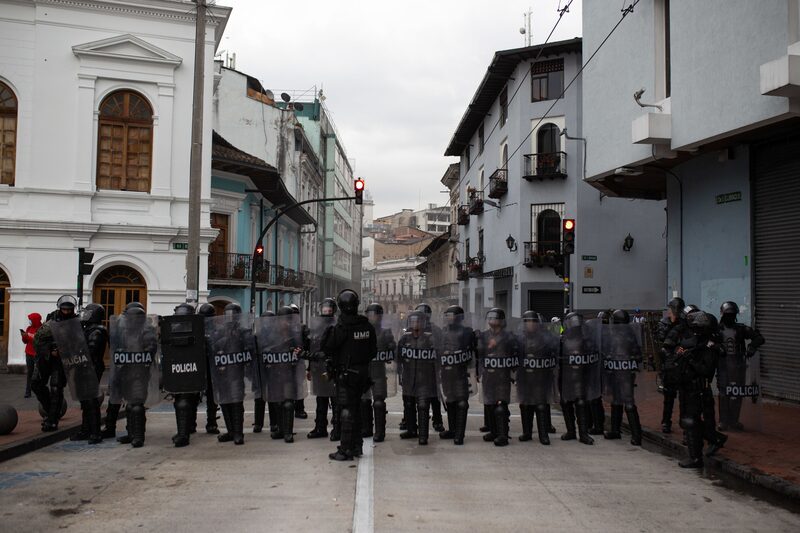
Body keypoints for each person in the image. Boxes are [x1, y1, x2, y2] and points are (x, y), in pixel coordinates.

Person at [322, 289, 377, 460]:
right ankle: (357, 446)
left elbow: (328, 347)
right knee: (357, 409)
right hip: (363, 373)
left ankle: (345, 449)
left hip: (346, 374)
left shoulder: (342, 327)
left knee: (346, 410)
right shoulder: (366, 326)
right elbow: (372, 351)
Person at [109, 305, 158, 448]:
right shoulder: (124, 331)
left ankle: (138, 436)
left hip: (139, 373)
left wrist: (141, 356)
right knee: (130, 404)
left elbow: (150, 351)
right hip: (125, 371)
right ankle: (131, 433)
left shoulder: (147, 332)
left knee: (137, 404)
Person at [717, 301, 764, 431]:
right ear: (722, 315)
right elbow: (708, 341)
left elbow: (759, 338)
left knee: (737, 393)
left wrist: (752, 346)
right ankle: (723, 421)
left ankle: (734, 420)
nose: (730, 317)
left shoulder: (741, 329)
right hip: (723, 365)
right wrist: (717, 347)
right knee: (724, 393)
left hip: (739, 364)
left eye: (732, 315)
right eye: (727, 315)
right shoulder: (717, 330)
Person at [31, 296, 75, 432]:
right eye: (64, 309)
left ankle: (52, 419)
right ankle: (51, 410)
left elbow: (78, 342)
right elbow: (39, 340)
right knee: (36, 384)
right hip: (46, 358)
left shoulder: (76, 322)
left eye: (69, 310)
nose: (66, 312)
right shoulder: (51, 319)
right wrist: (51, 349)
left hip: (62, 361)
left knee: (56, 388)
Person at [477, 308, 518, 447]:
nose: (491, 321)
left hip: (502, 376)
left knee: (500, 405)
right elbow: (479, 354)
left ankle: (503, 435)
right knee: (489, 404)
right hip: (488, 375)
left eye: (494, 318)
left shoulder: (509, 336)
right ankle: (494, 431)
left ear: (501, 321)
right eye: (490, 318)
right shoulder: (484, 335)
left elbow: (515, 353)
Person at [601, 309, 643, 446]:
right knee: (616, 401)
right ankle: (615, 430)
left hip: (624, 372)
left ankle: (636, 435)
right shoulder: (629, 334)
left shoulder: (624, 335)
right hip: (618, 370)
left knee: (628, 403)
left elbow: (637, 355)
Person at [516, 311, 558, 445]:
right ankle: (527, 433)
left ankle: (543, 434)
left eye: (533, 322)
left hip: (541, 377)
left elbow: (554, 355)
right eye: (527, 322)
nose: (530, 324)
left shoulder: (546, 338)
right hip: (524, 377)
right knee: (525, 405)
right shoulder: (519, 338)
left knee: (541, 405)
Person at [397, 311, 438, 445]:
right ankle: (411, 430)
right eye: (413, 321)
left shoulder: (430, 339)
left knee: (423, 405)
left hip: (425, 378)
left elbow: (437, 358)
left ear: (424, 323)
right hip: (409, 376)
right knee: (408, 404)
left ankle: (423, 435)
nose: (415, 324)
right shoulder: (404, 338)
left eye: (418, 321)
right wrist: (399, 373)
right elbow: (399, 357)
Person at [559, 312, 600, 445]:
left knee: (581, 403)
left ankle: (583, 433)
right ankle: (571, 431)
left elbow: (594, 356)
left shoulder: (587, 340)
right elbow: (554, 356)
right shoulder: (562, 340)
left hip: (581, 375)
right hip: (566, 375)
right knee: (566, 403)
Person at [436, 305, 475, 445]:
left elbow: (473, 353)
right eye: (447, 316)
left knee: (462, 403)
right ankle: (452, 430)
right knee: (450, 401)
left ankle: (459, 435)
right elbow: (439, 349)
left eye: (452, 316)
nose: (449, 318)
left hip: (460, 372)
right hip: (447, 372)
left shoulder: (467, 332)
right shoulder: (443, 332)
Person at [71, 303, 108, 442]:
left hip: (92, 368)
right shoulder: (88, 329)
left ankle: (95, 432)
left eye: (88, 313)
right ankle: (85, 430)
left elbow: (90, 350)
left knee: (91, 401)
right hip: (83, 367)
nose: (85, 315)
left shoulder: (97, 331)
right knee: (85, 401)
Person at [362, 302, 396, 443]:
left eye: (374, 315)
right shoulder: (362, 331)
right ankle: (366, 428)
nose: (371, 317)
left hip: (379, 372)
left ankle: (380, 432)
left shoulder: (385, 332)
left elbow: (394, 349)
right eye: (369, 315)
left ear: (379, 316)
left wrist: (390, 348)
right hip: (365, 372)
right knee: (364, 401)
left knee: (379, 402)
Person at [308, 298, 339, 439]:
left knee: (335, 400)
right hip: (319, 367)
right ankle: (320, 427)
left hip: (333, 368)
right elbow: (312, 346)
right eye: (324, 308)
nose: (326, 311)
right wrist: (309, 368)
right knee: (321, 400)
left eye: (329, 309)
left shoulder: (338, 325)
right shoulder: (316, 327)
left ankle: (337, 428)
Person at [414, 303, 445, 433]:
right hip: (416, 367)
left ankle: (437, 420)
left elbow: (441, 348)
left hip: (431, 367)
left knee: (434, 396)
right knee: (414, 397)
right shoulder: (412, 329)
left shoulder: (436, 330)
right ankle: (410, 420)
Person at [657, 297, 685, 433]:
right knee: (669, 396)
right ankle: (666, 421)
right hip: (669, 362)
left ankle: (684, 423)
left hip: (683, 362)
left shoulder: (685, 323)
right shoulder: (664, 323)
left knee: (684, 397)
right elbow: (662, 341)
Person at [197, 303, 219, 434]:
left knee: (212, 397)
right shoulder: (195, 328)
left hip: (211, 365)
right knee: (197, 396)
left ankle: (211, 422)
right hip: (199, 365)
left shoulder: (217, 330)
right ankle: (210, 423)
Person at [20, 312, 42, 397]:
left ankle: (39, 390)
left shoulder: (41, 329)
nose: (29, 321)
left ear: (35, 320)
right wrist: (23, 336)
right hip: (29, 353)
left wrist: (28, 336)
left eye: (31, 320)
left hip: (37, 354)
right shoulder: (29, 328)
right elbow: (25, 342)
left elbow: (37, 340)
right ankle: (27, 391)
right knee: (30, 372)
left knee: (38, 373)